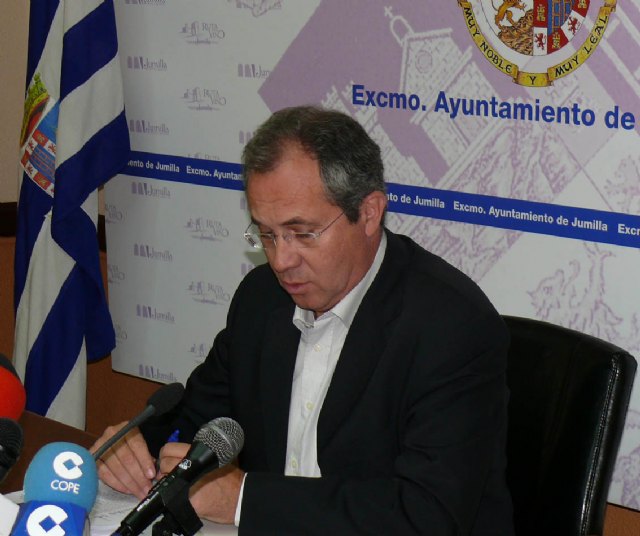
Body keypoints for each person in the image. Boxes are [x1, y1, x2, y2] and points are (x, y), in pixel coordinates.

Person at [92, 105, 514, 535]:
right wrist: (138, 446)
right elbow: (198, 418)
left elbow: (427, 513)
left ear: (369, 212)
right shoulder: (261, 299)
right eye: (267, 234)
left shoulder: (452, 326)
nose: (281, 260)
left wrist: (245, 500)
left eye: (303, 233)